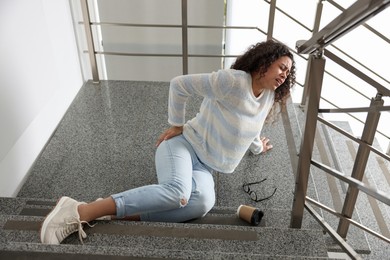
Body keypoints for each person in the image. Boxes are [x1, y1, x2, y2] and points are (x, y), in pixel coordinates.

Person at [40, 39, 296, 245]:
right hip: (182, 145)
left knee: (202, 204)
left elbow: (253, 126)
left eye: (289, 71)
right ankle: (81, 211)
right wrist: (177, 124)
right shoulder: (232, 82)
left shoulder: (268, 97)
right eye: (282, 67)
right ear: (264, 61)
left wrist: (258, 147)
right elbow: (179, 85)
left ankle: (121, 212)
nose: (285, 74)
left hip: (204, 166)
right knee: (177, 193)